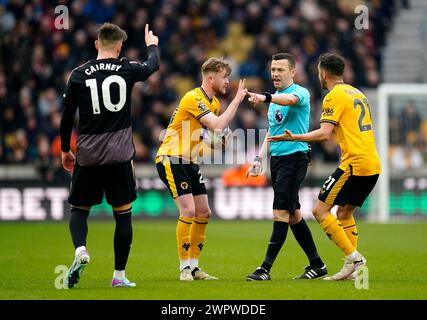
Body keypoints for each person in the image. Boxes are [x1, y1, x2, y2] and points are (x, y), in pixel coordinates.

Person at [60, 23, 159, 288]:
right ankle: (119, 276)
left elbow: (67, 117)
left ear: (96, 44)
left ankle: (81, 250)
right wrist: (152, 45)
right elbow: (152, 66)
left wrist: (64, 150)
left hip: (88, 154)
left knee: (79, 209)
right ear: (119, 47)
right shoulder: (126, 68)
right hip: (119, 153)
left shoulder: (78, 74)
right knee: (123, 215)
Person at [268, 53, 381, 280]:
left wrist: (294, 138)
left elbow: (324, 134)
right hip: (372, 162)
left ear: (324, 74)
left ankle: (355, 258)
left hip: (354, 163)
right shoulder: (356, 92)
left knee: (319, 210)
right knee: (344, 212)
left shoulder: (333, 96)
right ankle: (353, 266)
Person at [155, 57, 247, 281]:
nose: (227, 81)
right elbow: (216, 125)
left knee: (204, 212)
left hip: (189, 162)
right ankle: (184, 268)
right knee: (188, 211)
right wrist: (237, 101)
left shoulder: (213, 103)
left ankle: (195, 267)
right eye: (225, 77)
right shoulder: (193, 97)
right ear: (211, 77)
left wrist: (218, 142)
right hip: (171, 158)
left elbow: (207, 136)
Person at [245, 53, 327, 281]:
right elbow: (272, 131)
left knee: (280, 211)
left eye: (280, 70)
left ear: (293, 72)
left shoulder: (300, 93)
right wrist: (259, 159)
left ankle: (265, 269)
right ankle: (317, 264)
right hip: (278, 160)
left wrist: (264, 97)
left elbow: (290, 101)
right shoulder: (274, 99)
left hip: (295, 156)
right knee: (293, 214)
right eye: (273, 70)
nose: (275, 74)